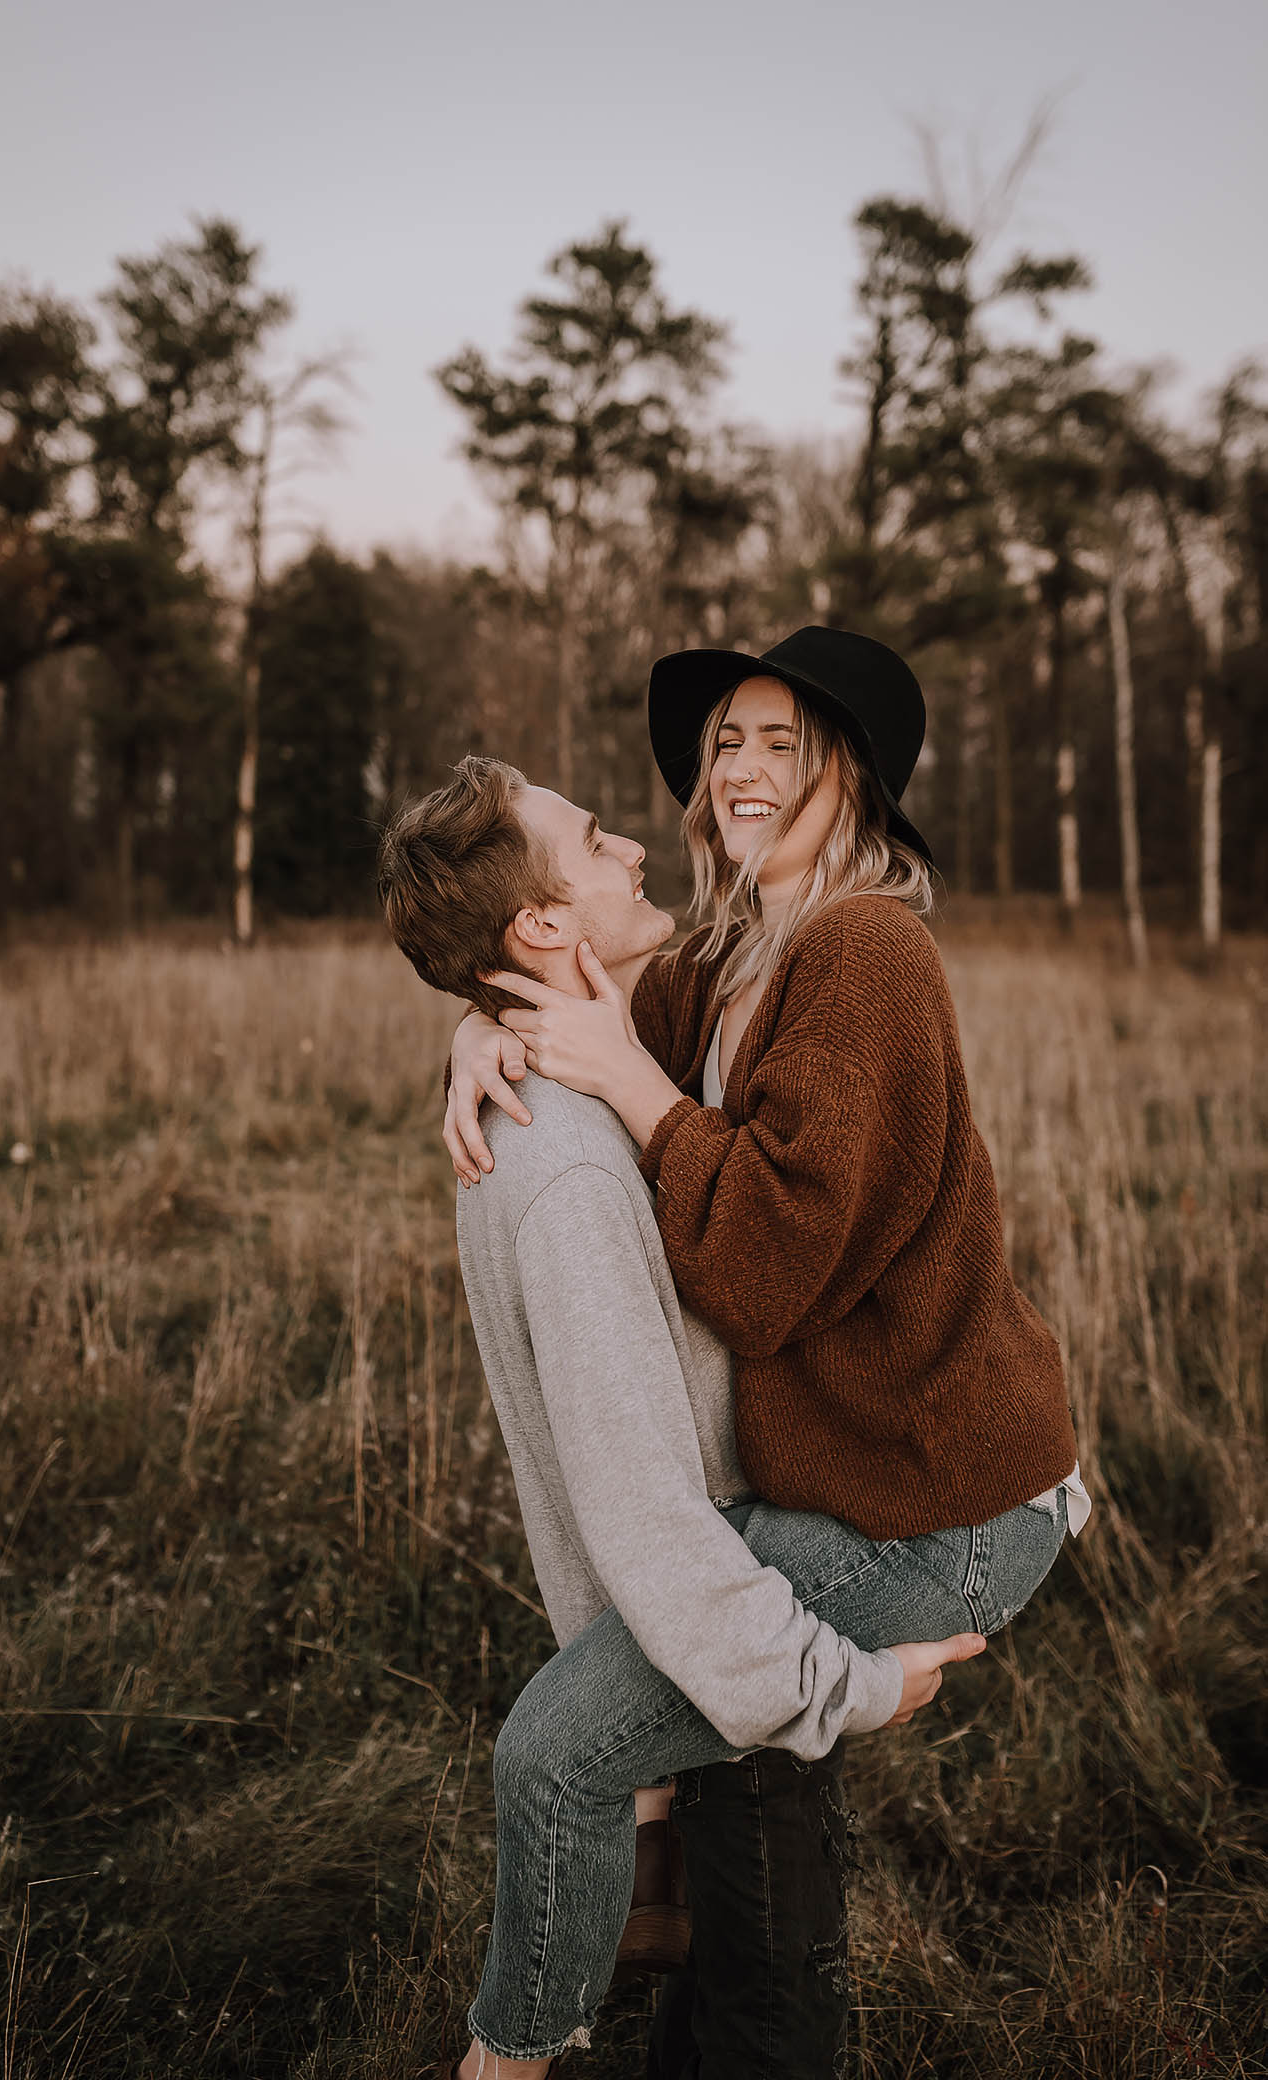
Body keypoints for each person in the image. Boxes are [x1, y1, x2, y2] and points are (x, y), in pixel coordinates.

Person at [436, 627, 1089, 2076]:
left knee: (555, 1753)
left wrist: (634, 1091)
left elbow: (768, 1268)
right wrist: (480, 1038)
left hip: (943, 1505)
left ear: (845, 776)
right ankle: (701, 1997)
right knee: (694, 1730)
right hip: (837, 1485)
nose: (737, 766)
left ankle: (510, 2060)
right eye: (723, 739)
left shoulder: (866, 954)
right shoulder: (722, 958)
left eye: (778, 742)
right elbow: (557, 994)